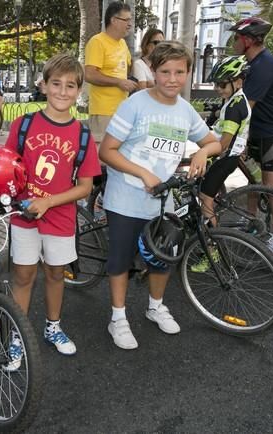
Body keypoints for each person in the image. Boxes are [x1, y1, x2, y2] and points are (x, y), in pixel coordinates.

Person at [99, 41, 223, 350]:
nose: (172, 79)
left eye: (179, 72)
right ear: (153, 71)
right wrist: (142, 173)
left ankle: (155, 307)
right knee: (121, 259)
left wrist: (202, 153)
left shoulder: (185, 110)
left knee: (162, 257)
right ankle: (118, 317)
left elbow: (214, 142)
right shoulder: (135, 104)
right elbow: (106, 151)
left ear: (188, 73)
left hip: (162, 201)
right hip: (126, 196)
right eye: (165, 71)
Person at [0, 53, 101, 364]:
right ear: (44, 86)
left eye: (71, 85)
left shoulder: (83, 134)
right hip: (24, 216)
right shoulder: (24, 125)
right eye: (56, 83)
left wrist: (48, 201)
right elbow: (3, 167)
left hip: (60, 218)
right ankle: (18, 337)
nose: (63, 91)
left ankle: (53, 327)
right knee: (22, 276)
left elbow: (85, 187)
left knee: (55, 273)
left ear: (79, 91)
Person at [230, 16, 273, 254]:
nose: (234, 41)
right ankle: (251, 221)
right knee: (254, 179)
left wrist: (230, 133)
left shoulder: (263, 64)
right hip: (259, 129)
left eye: (237, 37)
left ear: (247, 40)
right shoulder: (251, 63)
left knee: (271, 183)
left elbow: (247, 107)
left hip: (271, 130)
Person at [194, 55, 252, 272]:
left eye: (222, 84)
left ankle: (212, 251)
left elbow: (225, 142)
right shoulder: (234, 99)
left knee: (205, 199)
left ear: (238, 81)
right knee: (204, 192)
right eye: (216, 84)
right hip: (227, 155)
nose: (218, 88)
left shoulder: (236, 105)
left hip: (226, 157)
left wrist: (204, 153)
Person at [84, 1, 137, 146]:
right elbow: (89, 74)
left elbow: (125, 71)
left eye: (130, 20)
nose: (129, 24)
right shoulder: (97, 42)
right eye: (126, 20)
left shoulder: (122, 44)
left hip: (122, 110)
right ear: (113, 20)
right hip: (103, 111)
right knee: (103, 156)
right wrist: (118, 82)